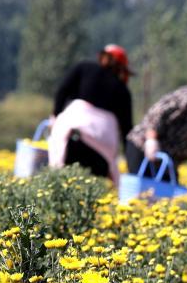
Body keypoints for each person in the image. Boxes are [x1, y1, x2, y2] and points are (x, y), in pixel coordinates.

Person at [49, 44, 134, 183]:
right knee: (94, 187)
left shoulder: (84, 67)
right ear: (121, 68)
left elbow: (62, 91)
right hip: (102, 149)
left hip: (72, 137)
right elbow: (127, 129)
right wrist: (130, 161)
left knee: (64, 182)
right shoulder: (122, 90)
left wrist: (55, 115)